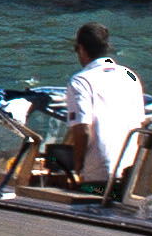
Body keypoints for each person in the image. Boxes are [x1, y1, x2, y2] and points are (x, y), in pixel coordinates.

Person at [57, 23, 146, 186]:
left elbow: (82, 129)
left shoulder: (80, 81)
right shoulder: (130, 75)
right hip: (130, 174)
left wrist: (77, 169)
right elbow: (142, 124)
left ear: (81, 49)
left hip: (97, 180)